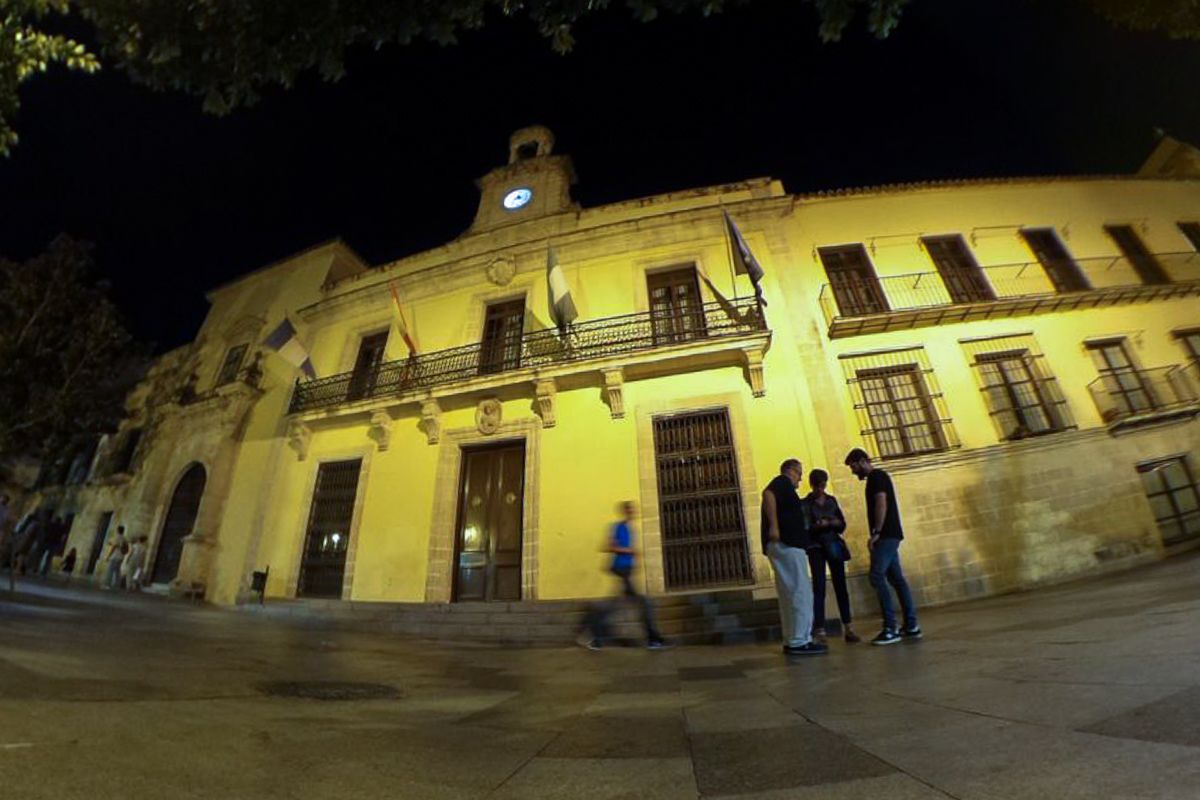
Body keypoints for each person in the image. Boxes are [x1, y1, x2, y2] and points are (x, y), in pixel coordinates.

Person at [844, 448, 921, 646]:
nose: (853, 472)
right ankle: (911, 625)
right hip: (891, 534)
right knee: (896, 579)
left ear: (862, 461)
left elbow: (881, 503)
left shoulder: (876, 477)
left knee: (877, 576)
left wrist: (876, 532)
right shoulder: (879, 477)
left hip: (886, 535)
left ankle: (890, 628)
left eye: (853, 467)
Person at [579, 501, 668, 650]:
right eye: (630, 510)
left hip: (626, 570)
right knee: (643, 603)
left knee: (616, 605)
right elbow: (607, 546)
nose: (633, 513)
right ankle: (653, 639)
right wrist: (628, 551)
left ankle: (595, 636)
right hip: (621, 569)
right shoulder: (618, 527)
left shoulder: (629, 528)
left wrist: (634, 558)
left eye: (633, 510)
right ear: (625, 512)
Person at [762, 459, 826, 656]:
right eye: (799, 474)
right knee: (800, 592)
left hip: (784, 544)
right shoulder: (782, 483)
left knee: (789, 594)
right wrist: (774, 526)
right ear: (791, 470)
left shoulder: (785, 487)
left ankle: (792, 639)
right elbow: (768, 494)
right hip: (788, 543)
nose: (800, 479)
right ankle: (800, 640)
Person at [804, 469, 859, 644]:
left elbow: (842, 524)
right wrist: (818, 525)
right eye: (818, 486)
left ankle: (848, 626)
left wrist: (833, 523)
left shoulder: (831, 501)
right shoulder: (805, 504)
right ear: (812, 485)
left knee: (840, 585)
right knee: (819, 587)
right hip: (816, 547)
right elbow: (805, 527)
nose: (821, 489)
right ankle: (819, 629)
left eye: (823, 485)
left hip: (833, 543)